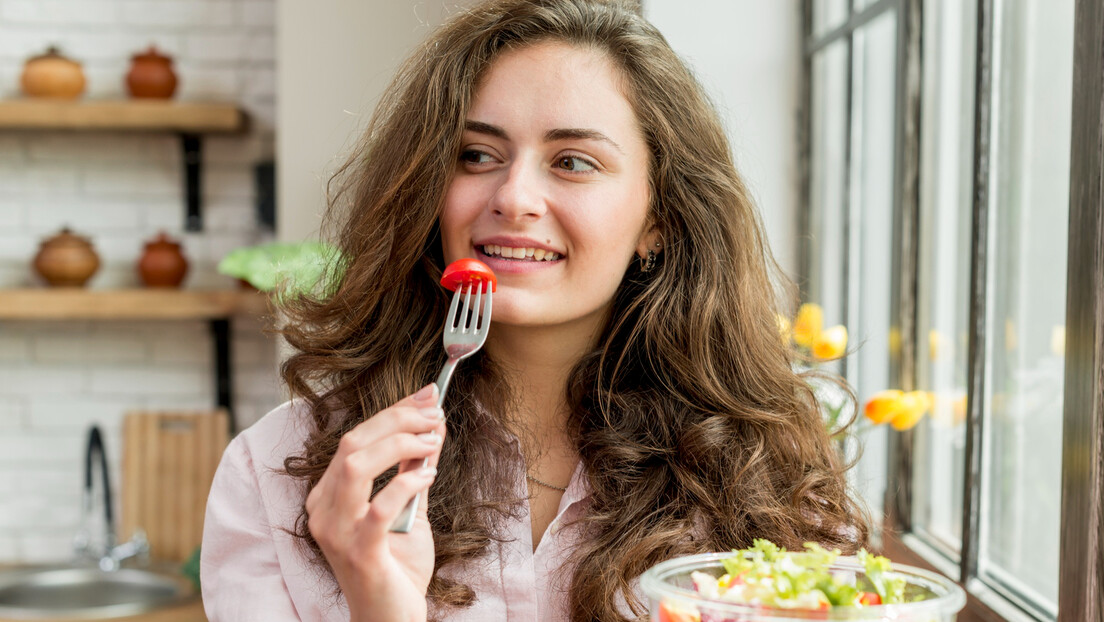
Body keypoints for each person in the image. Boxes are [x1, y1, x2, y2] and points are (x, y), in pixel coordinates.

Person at [200, 1, 870, 620]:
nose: (514, 196)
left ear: (659, 218)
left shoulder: (765, 473)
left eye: (573, 161)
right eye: (476, 155)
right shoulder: (275, 473)